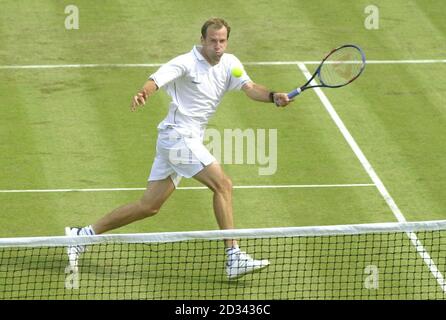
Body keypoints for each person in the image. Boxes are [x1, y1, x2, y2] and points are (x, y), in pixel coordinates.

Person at [66, 17, 292, 279]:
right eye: (213, 41)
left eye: (222, 41)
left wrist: (273, 95)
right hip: (177, 138)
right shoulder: (185, 62)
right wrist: (144, 92)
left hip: (184, 139)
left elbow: (251, 88)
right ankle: (233, 256)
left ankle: (81, 235)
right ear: (202, 40)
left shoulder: (231, 64)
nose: (218, 46)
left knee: (148, 206)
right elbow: (158, 79)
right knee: (223, 185)